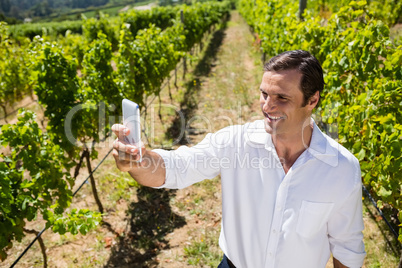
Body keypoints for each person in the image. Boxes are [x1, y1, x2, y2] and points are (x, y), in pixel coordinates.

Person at [111, 50, 366, 268]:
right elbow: (175, 168)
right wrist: (140, 161)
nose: (267, 106)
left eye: (281, 98)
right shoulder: (235, 143)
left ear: (312, 100)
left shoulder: (341, 168)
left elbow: (347, 247)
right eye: (264, 94)